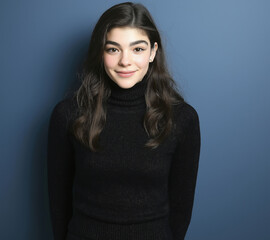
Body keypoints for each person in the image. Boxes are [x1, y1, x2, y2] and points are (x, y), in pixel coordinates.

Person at [47, 2, 201, 240]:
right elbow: (59, 203)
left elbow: (182, 207)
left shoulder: (181, 119)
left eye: (137, 49)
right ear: (100, 53)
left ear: (152, 52)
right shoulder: (67, 115)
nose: (125, 61)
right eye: (113, 49)